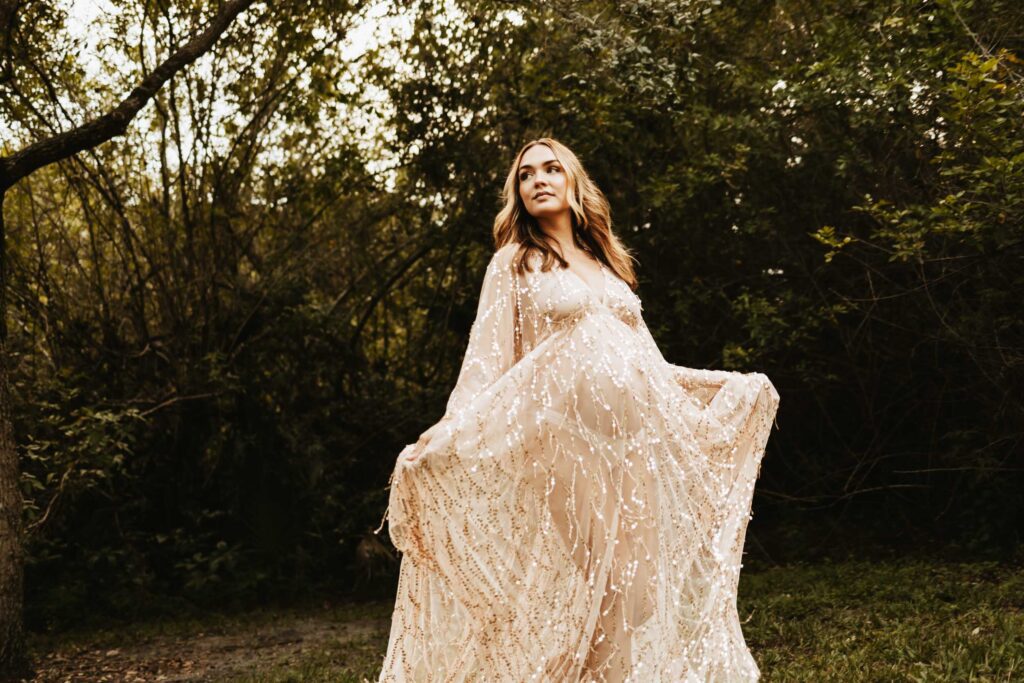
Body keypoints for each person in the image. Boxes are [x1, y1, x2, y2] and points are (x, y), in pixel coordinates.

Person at [376, 137, 780, 682]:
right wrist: (446, 432)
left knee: (637, 596)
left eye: (551, 169)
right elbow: (485, 361)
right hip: (567, 446)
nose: (538, 179)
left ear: (572, 182)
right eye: (526, 175)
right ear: (517, 194)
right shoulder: (515, 263)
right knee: (607, 581)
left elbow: (649, 367)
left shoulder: (606, 264)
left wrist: (726, 384)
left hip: (637, 446)